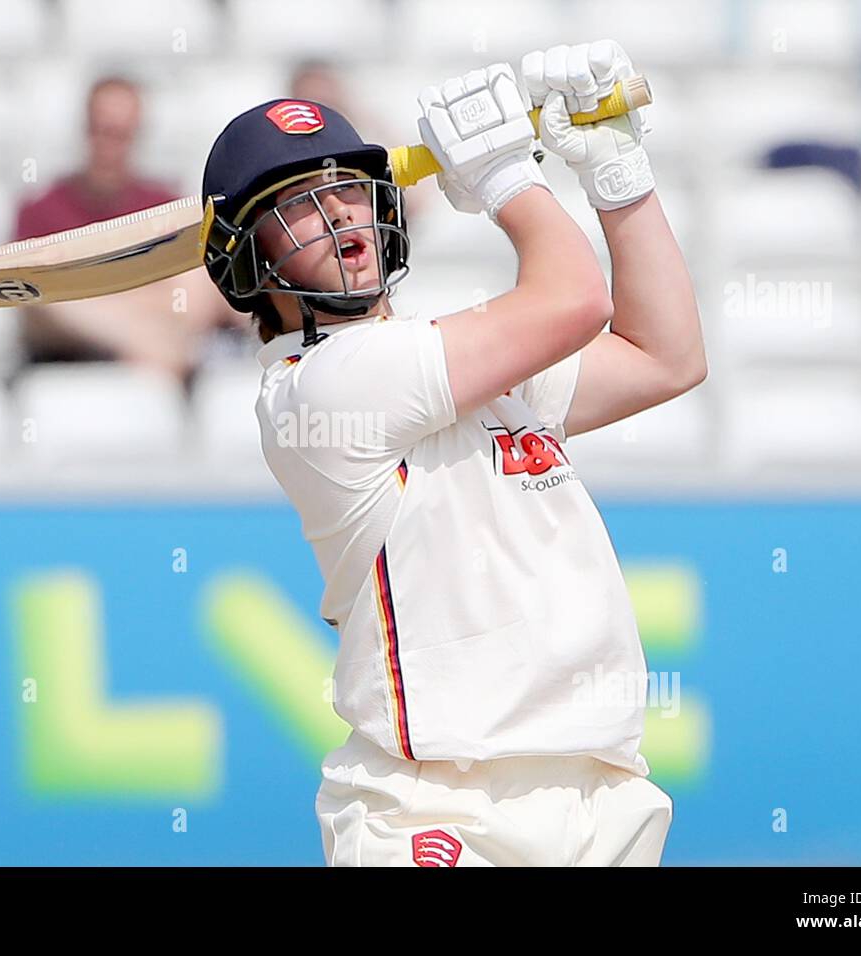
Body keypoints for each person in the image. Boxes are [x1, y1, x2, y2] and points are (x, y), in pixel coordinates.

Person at [201, 41, 705, 866]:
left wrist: (619, 175)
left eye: (348, 189)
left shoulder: (455, 360)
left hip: (603, 791)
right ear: (246, 259)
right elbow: (575, 298)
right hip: (437, 810)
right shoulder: (323, 387)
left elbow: (666, 356)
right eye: (299, 204)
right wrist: (508, 176)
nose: (341, 218)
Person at [14, 75, 241, 381]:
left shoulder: (164, 205)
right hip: (71, 363)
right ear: (86, 129)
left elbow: (195, 297)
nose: (110, 146)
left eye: (122, 134)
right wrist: (140, 324)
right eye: (103, 131)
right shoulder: (41, 210)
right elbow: (36, 304)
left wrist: (95, 295)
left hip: (159, 346)